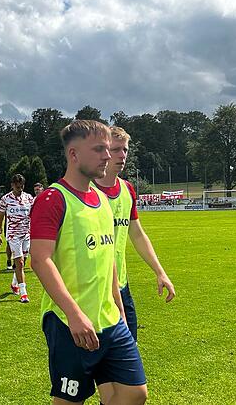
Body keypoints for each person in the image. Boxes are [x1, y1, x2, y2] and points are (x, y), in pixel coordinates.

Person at [30, 120, 147, 405]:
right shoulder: (52, 199)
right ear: (74, 154)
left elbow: (109, 261)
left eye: (108, 149)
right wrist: (74, 314)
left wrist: (118, 308)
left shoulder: (103, 200)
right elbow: (40, 259)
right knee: (70, 401)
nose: (107, 155)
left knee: (134, 393)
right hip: (69, 324)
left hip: (110, 320)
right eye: (98, 149)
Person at [94, 127, 175, 342]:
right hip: (93, 289)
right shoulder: (86, 190)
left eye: (125, 150)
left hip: (121, 284)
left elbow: (137, 234)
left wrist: (160, 272)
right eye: (116, 149)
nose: (122, 155)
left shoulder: (127, 189)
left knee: (129, 354)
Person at [0, 173, 34, 303]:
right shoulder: (5, 199)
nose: (20, 189)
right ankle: (23, 293)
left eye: (22, 186)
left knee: (22, 262)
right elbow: (0, 217)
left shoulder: (29, 198)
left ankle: (14, 283)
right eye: (18, 186)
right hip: (13, 235)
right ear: (12, 185)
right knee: (20, 262)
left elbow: (34, 216)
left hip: (26, 234)